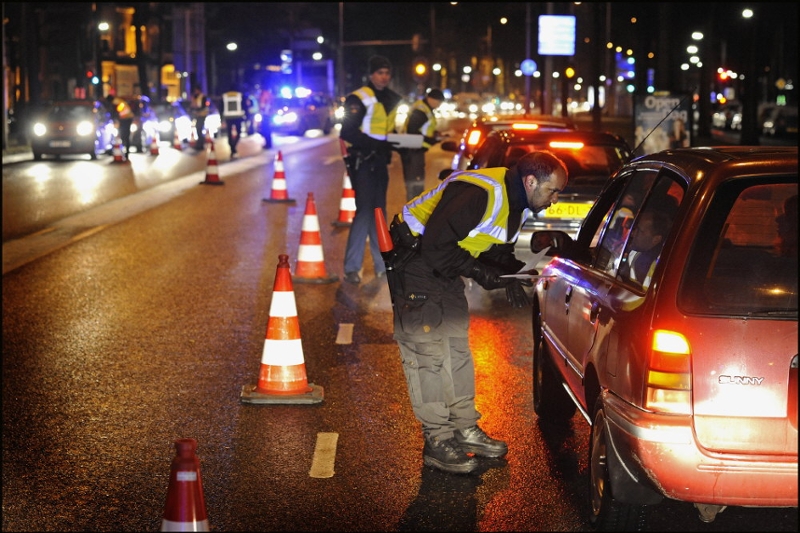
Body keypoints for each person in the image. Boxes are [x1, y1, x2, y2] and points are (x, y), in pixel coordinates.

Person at [387, 151, 569, 474]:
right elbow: (435, 246)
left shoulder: (519, 204)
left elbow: (495, 246)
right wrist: (482, 274)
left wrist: (511, 271)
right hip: (415, 263)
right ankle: (437, 439)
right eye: (552, 191)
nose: (555, 199)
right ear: (530, 182)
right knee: (428, 353)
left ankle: (464, 428)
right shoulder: (479, 193)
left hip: (443, 267)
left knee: (457, 348)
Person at [340, 55, 403, 284]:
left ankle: (382, 265)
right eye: (380, 73)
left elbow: (390, 130)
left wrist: (405, 142)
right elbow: (347, 132)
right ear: (371, 74)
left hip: (380, 162)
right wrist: (376, 143)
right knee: (365, 212)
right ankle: (352, 268)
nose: (384, 77)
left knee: (379, 212)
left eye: (387, 73)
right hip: (364, 160)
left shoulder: (393, 99)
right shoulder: (358, 98)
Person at [399, 88, 446, 201]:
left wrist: (436, 135)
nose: (438, 105)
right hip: (413, 150)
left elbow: (424, 129)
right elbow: (413, 131)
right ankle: (413, 210)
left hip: (416, 150)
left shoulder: (425, 109)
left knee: (416, 183)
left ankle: (415, 206)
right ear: (431, 99)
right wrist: (433, 140)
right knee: (415, 183)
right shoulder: (421, 111)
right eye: (438, 102)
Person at [618, 209, 672, 287]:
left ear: (656, 239)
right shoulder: (632, 255)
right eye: (634, 228)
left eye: (639, 230)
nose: (632, 233)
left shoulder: (662, 270)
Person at [222, 88, 246, 158]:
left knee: (229, 134)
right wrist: (246, 116)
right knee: (238, 133)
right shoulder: (239, 95)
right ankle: (234, 147)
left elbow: (221, 107)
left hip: (228, 117)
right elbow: (244, 106)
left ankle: (232, 148)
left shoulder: (225, 95)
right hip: (238, 117)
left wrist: (222, 118)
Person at [189, 85, 209, 150]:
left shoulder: (202, 97)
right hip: (198, 115)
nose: (195, 92)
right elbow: (193, 105)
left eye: (196, 90)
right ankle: (199, 144)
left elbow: (202, 106)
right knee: (198, 129)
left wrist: (197, 110)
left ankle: (200, 144)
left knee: (199, 128)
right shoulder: (196, 97)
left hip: (202, 115)